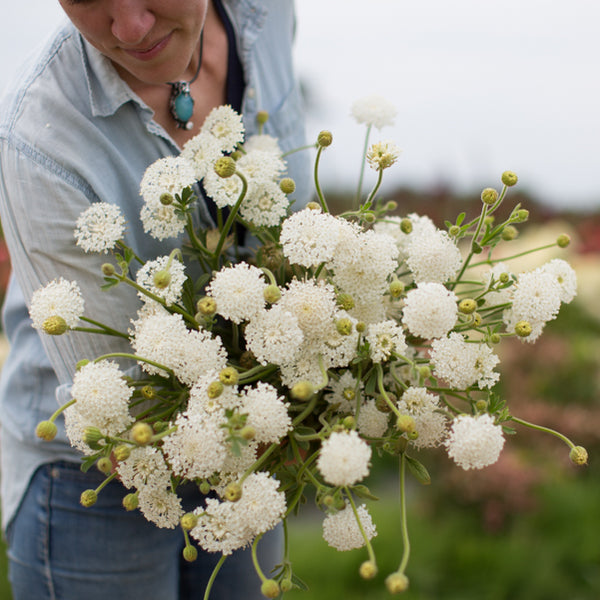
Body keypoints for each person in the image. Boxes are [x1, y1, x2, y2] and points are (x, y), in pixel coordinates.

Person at [0, 1, 310, 598]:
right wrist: (302, 414)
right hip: (93, 478)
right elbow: (123, 423)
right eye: (87, 0)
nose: (129, 28)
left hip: (258, 431)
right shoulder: (35, 137)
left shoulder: (263, 13)